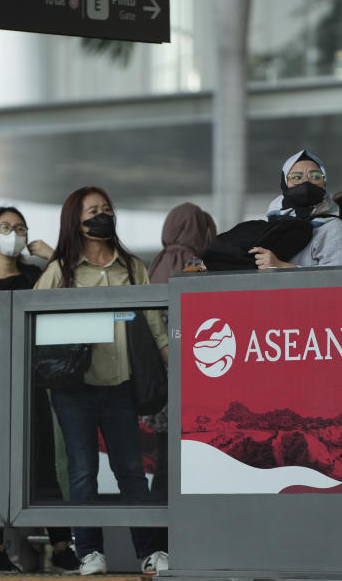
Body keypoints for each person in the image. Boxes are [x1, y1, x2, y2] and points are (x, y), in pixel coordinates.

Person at [34, 187, 170, 576]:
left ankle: (150, 552)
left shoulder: (131, 267)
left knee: (130, 471)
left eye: (106, 209)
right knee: (82, 471)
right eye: (93, 210)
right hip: (73, 388)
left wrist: (168, 359)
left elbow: (154, 322)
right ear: (75, 221)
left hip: (120, 383)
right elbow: (34, 318)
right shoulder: (61, 269)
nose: (102, 215)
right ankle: (89, 552)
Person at [0, 207, 80, 574]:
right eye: (4, 227)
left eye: (19, 228)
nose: (11, 234)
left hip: (32, 384)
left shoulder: (35, 275)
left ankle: (62, 546)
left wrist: (52, 256)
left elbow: (76, 286)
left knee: (42, 462)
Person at [145, 202, 216, 498]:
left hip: (159, 383)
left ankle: (158, 539)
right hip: (189, 383)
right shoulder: (197, 264)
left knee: (163, 463)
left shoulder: (155, 264)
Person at [250, 149, 342, 269]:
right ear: (284, 183)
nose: (306, 182)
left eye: (315, 176)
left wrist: (281, 266)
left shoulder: (333, 228)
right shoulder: (274, 223)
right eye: (296, 177)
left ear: (324, 183)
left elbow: (341, 278)